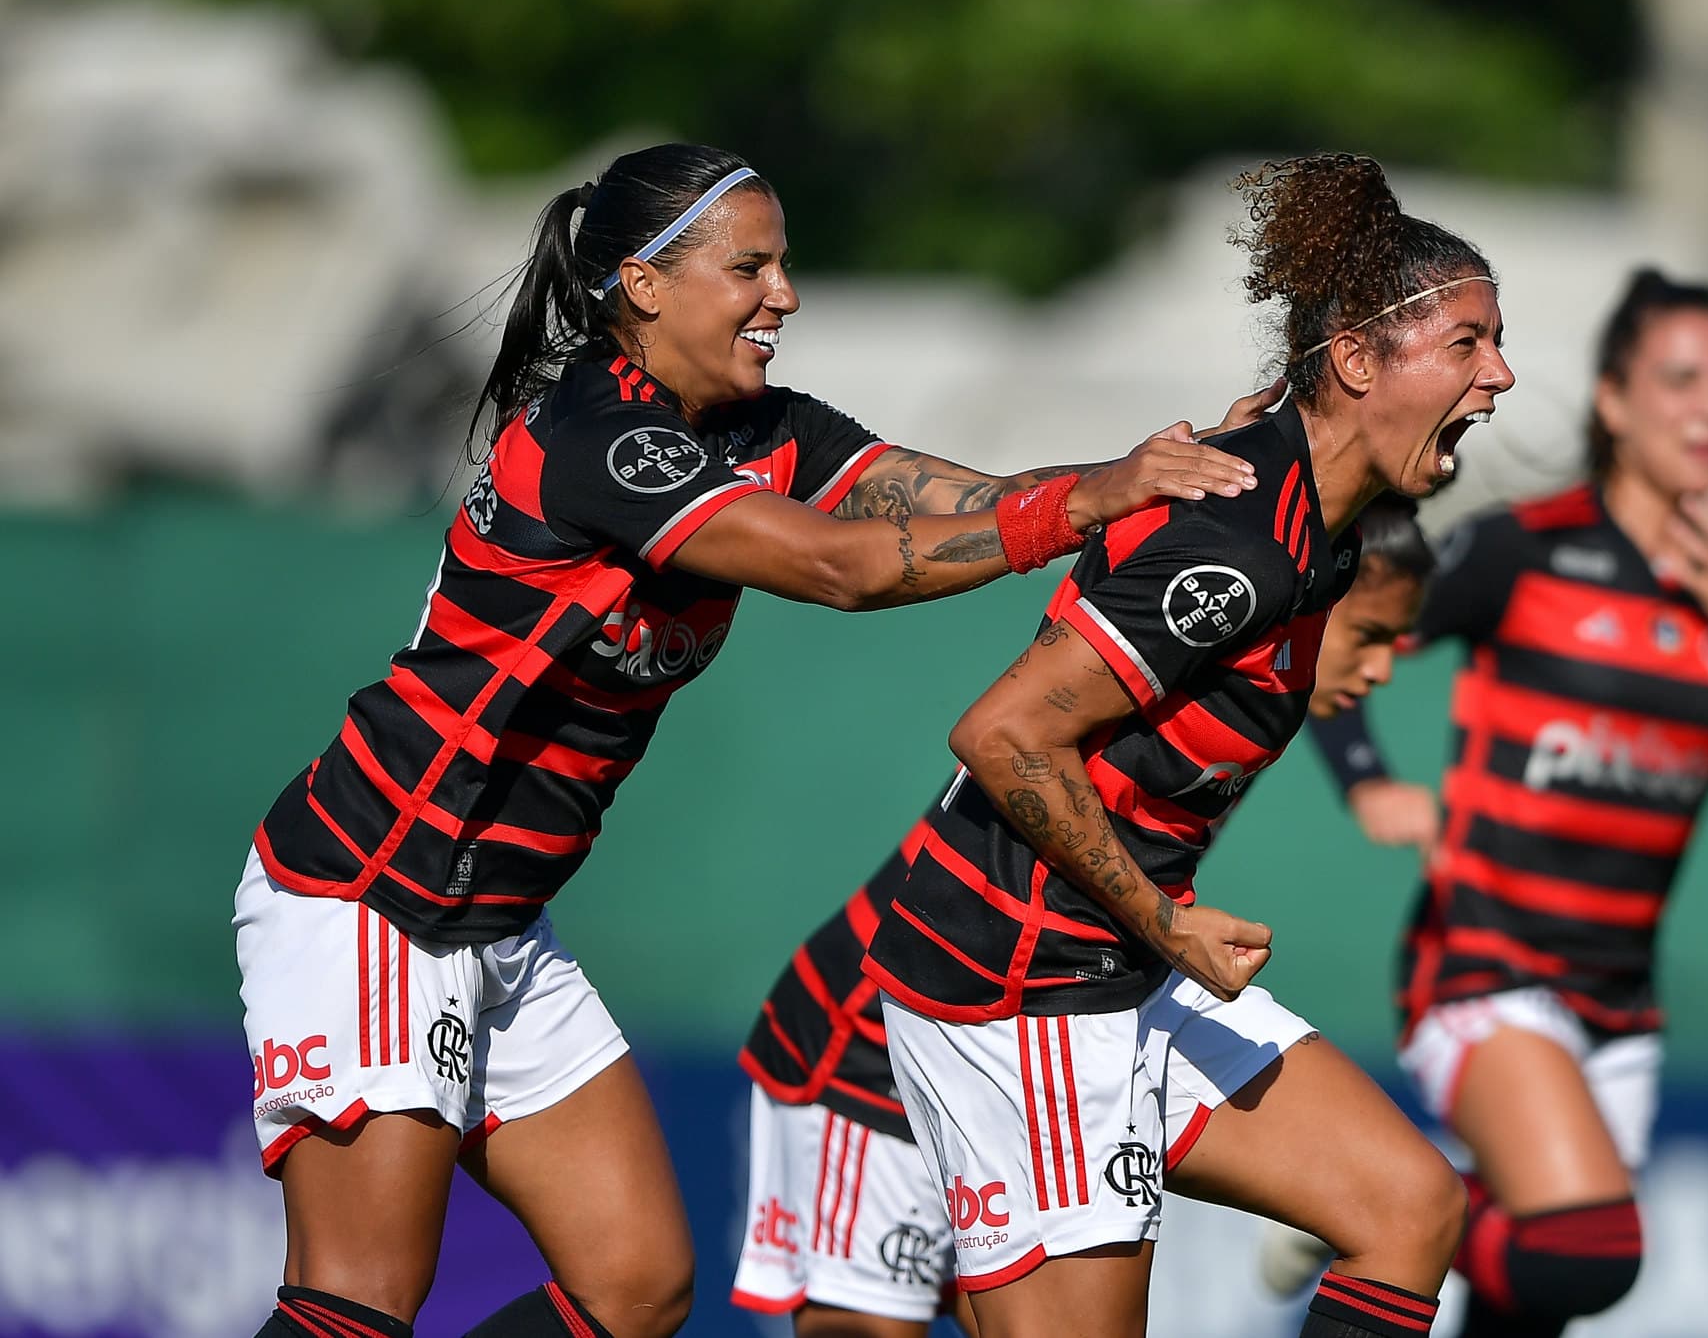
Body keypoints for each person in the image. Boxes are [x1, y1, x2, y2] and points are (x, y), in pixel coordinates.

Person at [234, 141, 1273, 1338]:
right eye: (749, 268)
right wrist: (1085, 502)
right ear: (642, 284)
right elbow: (837, 566)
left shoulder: (763, 426)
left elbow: (964, 498)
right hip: (377, 887)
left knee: (634, 1290)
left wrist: (1155, 480)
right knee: (357, 1298)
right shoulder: (600, 436)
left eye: (782, 265)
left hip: (496, 916)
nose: (783, 294)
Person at [858, 151, 1516, 1338]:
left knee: (1406, 1206)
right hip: (1020, 982)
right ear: (1356, 362)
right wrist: (1165, 925)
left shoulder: (1306, 497)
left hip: (1114, 961)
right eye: (1466, 344)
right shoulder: (1243, 547)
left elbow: (1273, 419)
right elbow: (1003, 734)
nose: (1500, 374)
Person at [1269, 268, 1708, 1337]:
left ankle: (1414, 1204)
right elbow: (1335, 629)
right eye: (1680, 379)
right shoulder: (1525, 549)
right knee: (1585, 1250)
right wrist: (1367, 780)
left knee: (1528, 1301)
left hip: (1617, 1003)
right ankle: (1399, 1204)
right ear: (1614, 400)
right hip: (1485, 967)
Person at [732, 495, 1438, 1338]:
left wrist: (1363, 776)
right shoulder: (1172, 655)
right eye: (1369, 635)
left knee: (1408, 1201)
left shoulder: (1239, 712)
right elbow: (1003, 756)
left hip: (1057, 1014)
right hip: (878, 1034)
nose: (1382, 668)